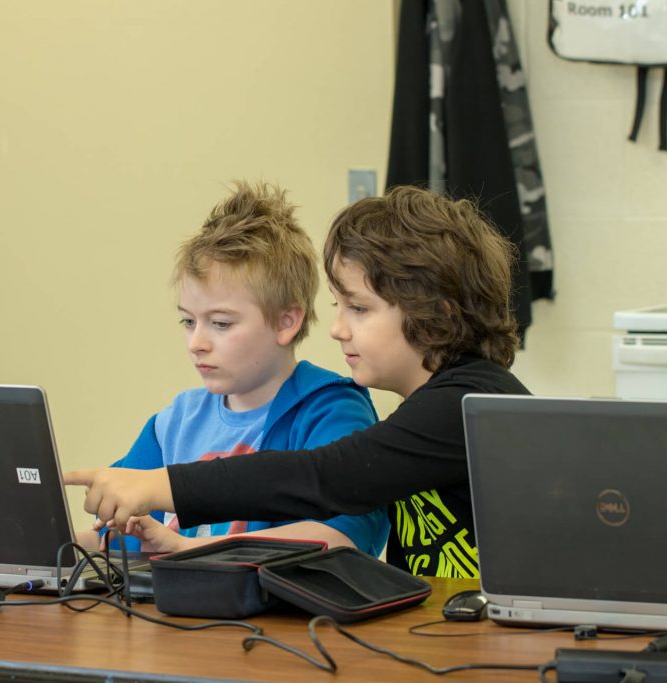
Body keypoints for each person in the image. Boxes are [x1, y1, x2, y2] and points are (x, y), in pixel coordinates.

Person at [66, 185, 531, 578]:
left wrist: (160, 486)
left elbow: (326, 476)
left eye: (359, 308)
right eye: (339, 307)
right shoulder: (432, 409)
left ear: (434, 315)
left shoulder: (470, 404)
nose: (337, 328)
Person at [77, 180, 389, 557]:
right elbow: (117, 541)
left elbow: (343, 539)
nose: (197, 343)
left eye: (221, 324)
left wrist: (193, 548)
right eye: (188, 322)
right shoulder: (176, 421)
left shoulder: (331, 410)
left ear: (286, 322)